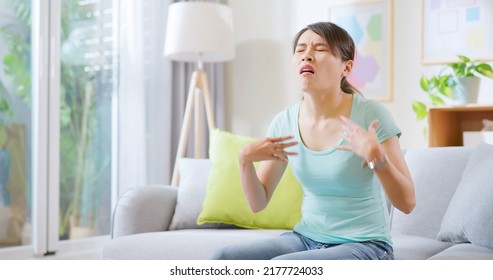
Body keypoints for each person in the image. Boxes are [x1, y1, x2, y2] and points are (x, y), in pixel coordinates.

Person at [209, 22, 415, 260]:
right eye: (301, 49)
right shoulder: (284, 122)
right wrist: (244, 161)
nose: (307, 55)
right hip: (305, 239)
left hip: (366, 245)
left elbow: (407, 203)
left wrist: (377, 158)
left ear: (346, 67)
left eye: (320, 49)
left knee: (285, 268)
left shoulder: (370, 115)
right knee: (222, 258)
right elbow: (258, 202)